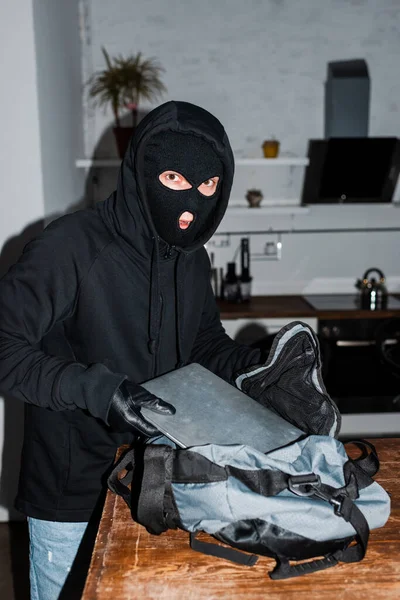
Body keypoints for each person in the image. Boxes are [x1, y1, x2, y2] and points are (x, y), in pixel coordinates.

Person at [0, 101, 265, 599]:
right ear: (141, 172)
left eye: (207, 186)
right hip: (73, 492)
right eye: (173, 178)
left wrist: (261, 369)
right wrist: (100, 391)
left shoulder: (190, 256)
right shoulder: (70, 247)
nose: (190, 203)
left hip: (161, 485)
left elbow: (203, 346)